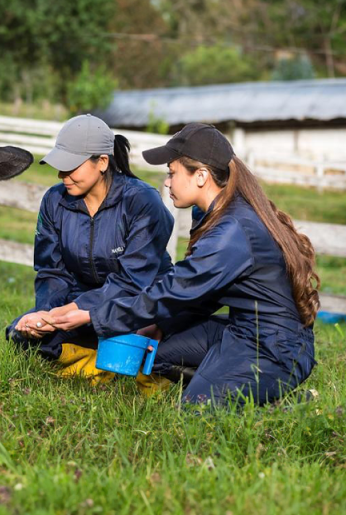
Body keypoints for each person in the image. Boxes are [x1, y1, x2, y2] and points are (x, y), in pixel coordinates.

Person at [47, 123, 320, 405]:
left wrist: (95, 315)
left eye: (172, 172)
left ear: (200, 176)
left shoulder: (231, 231)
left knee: (197, 411)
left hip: (277, 348)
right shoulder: (212, 215)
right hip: (241, 331)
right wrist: (160, 326)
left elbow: (176, 288)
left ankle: (290, 405)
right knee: (156, 357)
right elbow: (203, 295)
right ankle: (234, 385)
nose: (167, 182)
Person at [6, 114, 174, 387]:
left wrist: (70, 313)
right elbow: (51, 271)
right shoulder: (54, 201)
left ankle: (104, 365)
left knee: (147, 344)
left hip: (137, 303)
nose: (62, 175)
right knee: (21, 333)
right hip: (80, 302)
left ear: (103, 162)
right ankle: (105, 366)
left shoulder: (142, 201)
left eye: (71, 166)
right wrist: (46, 314)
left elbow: (132, 281)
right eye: (59, 166)